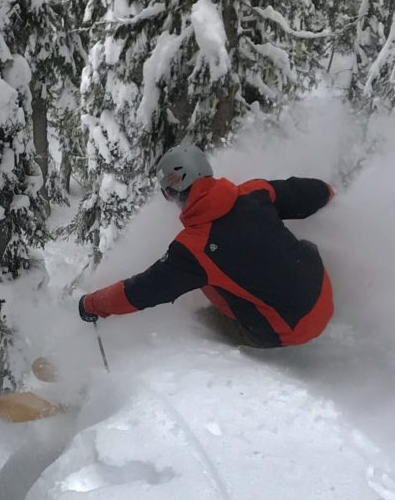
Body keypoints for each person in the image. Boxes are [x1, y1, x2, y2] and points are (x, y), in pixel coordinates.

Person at [78, 144, 335, 348]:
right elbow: (311, 192)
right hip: (323, 293)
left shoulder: (194, 248)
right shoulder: (254, 192)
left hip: (291, 329)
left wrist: (91, 304)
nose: (169, 200)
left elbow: (141, 290)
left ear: (176, 187)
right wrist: (332, 193)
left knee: (198, 319)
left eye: (167, 193)